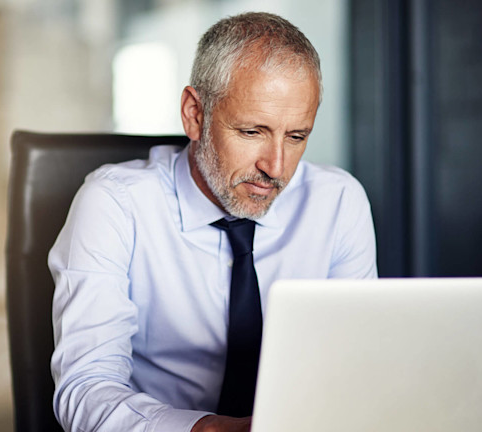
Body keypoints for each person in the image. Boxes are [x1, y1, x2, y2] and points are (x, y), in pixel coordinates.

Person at [48, 11, 377, 432]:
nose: (275, 167)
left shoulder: (338, 203)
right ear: (194, 114)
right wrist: (207, 430)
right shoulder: (115, 205)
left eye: (296, 137)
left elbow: (356, 370)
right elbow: (86, 389)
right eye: (251, 132)